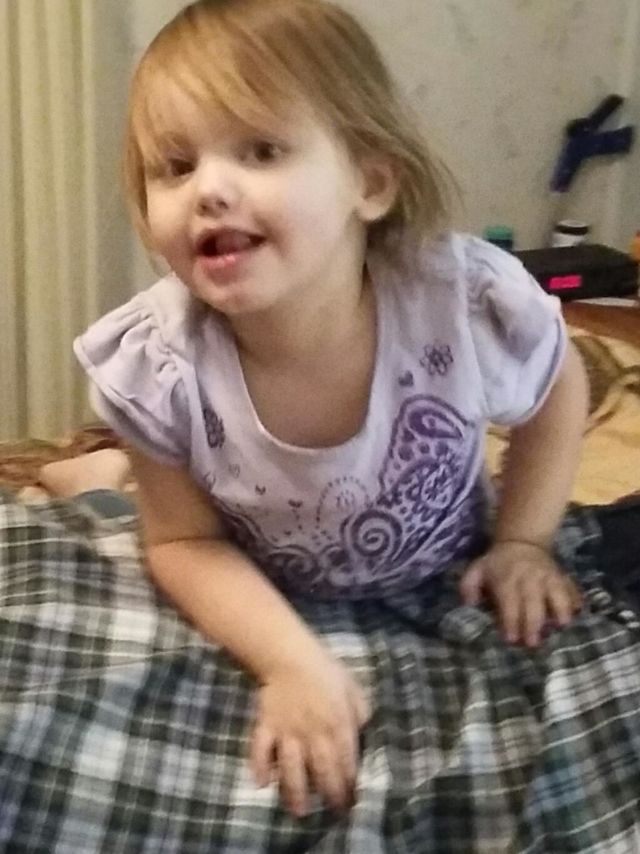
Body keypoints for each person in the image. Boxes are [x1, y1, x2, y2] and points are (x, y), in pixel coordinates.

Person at [73, 0, 588, 820]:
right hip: (269, 570)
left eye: (262, 149)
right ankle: (99, 472)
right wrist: (292, 665)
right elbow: (181, 541)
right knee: (132, 500)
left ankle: (102, 471)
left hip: (440, 562)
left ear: (369, 182)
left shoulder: (457, 303)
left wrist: (525, 540)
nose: (209, 188)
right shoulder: (162, 365)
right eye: (174, 166)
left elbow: (559, 386)